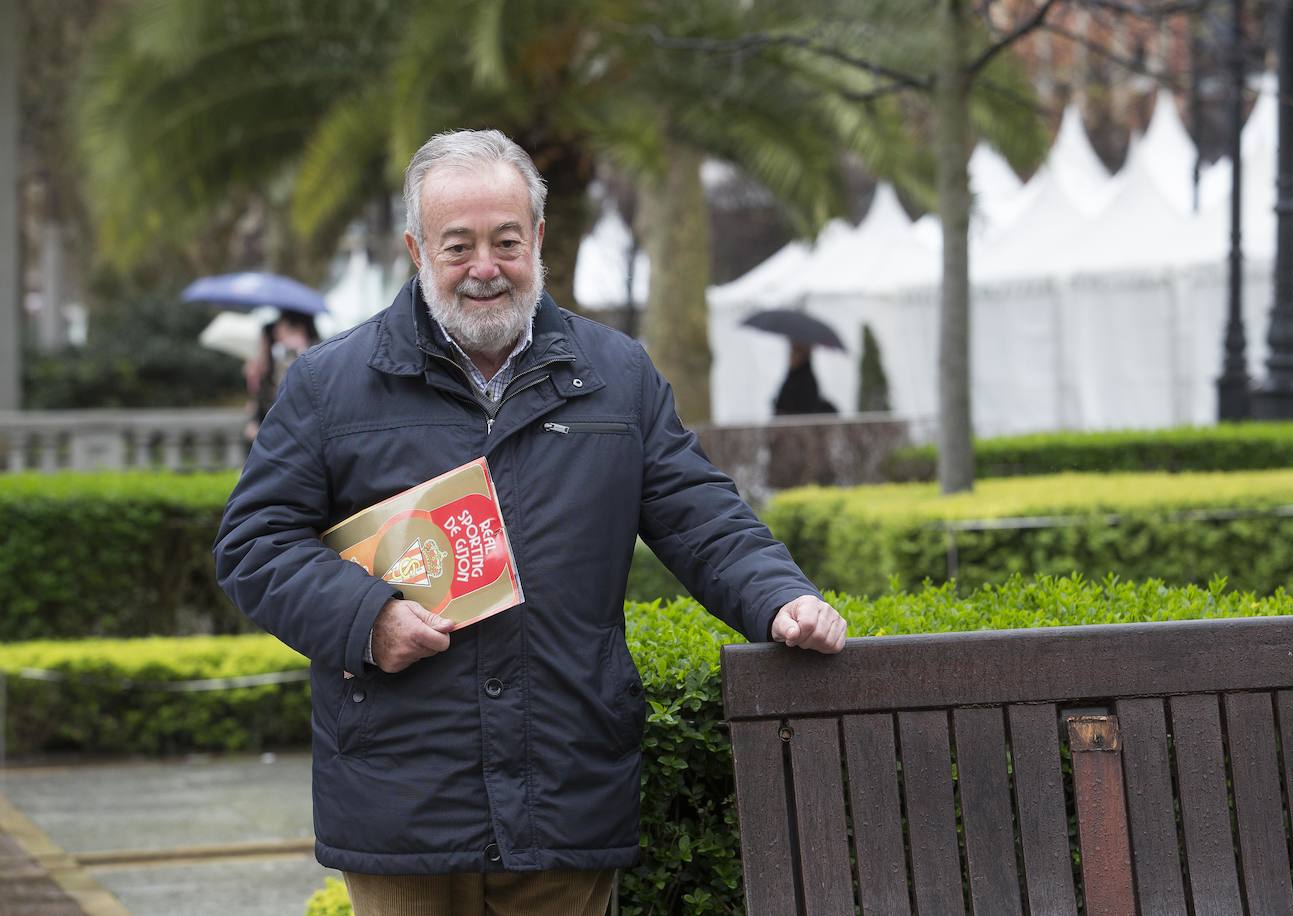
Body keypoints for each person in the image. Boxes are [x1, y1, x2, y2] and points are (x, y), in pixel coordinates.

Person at [213, 129, 846, 916]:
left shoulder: (617, 377)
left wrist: (780, 598)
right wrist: (366, 618)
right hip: (399, 797)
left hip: (566, 788)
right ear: (416, 249)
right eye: (459, 245)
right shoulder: (329, 386)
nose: (486, 267)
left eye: (507, 241)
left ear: (539, 239)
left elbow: (702, 517)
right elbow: (252, 544)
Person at [243, 309, 320, 443]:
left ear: (298, 328)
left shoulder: (309, 355)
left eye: (281, 327)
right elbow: (267, 397)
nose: (277, 333)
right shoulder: (277, 357)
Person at [773, 342, 837, 416]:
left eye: (796, 352)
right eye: (792, 352)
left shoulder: (806, 380)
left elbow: (806, 408)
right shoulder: (792, 376)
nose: (791, 356)